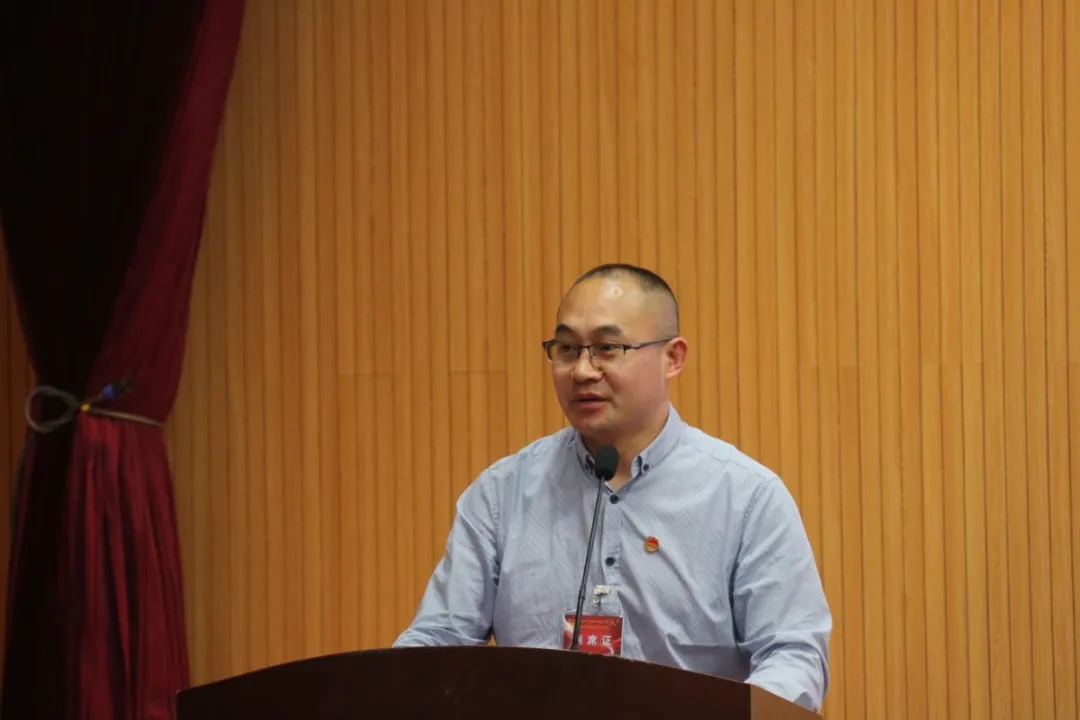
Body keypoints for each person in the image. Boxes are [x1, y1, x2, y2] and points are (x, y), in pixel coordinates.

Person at [393, 263, 831, 711]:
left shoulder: (746, 497)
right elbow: (438, 642)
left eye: (608, 348)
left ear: (672, 358)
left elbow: (793, 655)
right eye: (567, 349)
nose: (582, 371)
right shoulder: (500, 495)